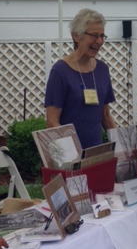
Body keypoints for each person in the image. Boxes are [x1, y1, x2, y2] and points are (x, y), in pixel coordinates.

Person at [44, 8, 116, 149]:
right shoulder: (60, 71)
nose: (99, 41)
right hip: (70, 155)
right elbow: (52, 123)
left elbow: (105, 115)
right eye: (94, 36)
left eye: (102, 36)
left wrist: (123, 148)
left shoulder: (102, 70)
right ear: (76, 36)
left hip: (96, 154)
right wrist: (73, 153)